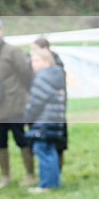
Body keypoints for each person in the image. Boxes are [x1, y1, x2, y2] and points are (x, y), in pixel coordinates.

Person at [0, 16, 34, 188]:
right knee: (0, 142)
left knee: (21, 140)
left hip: (15, 105)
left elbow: (26, 74)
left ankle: (30, 173)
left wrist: (24, 96)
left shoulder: (12, 51)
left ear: (1, 31)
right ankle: (5, 176)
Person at [23, 47, 66, 193]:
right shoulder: (57, 76)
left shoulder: (42, 78)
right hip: (55, 119)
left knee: (42, 150)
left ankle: (47, 184)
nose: (33, 64)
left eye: (36, 60)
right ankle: (54, 182)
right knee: (50, 151)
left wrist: (26, 118)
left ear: (46, 61)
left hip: (43, 120)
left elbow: (36, 102)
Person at [31, 37, 68, 171]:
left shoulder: (52, 68)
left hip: (48, 114)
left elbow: (40, 96)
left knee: (50, 148)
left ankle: (52, 177)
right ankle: (54, 176)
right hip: (54, 113)